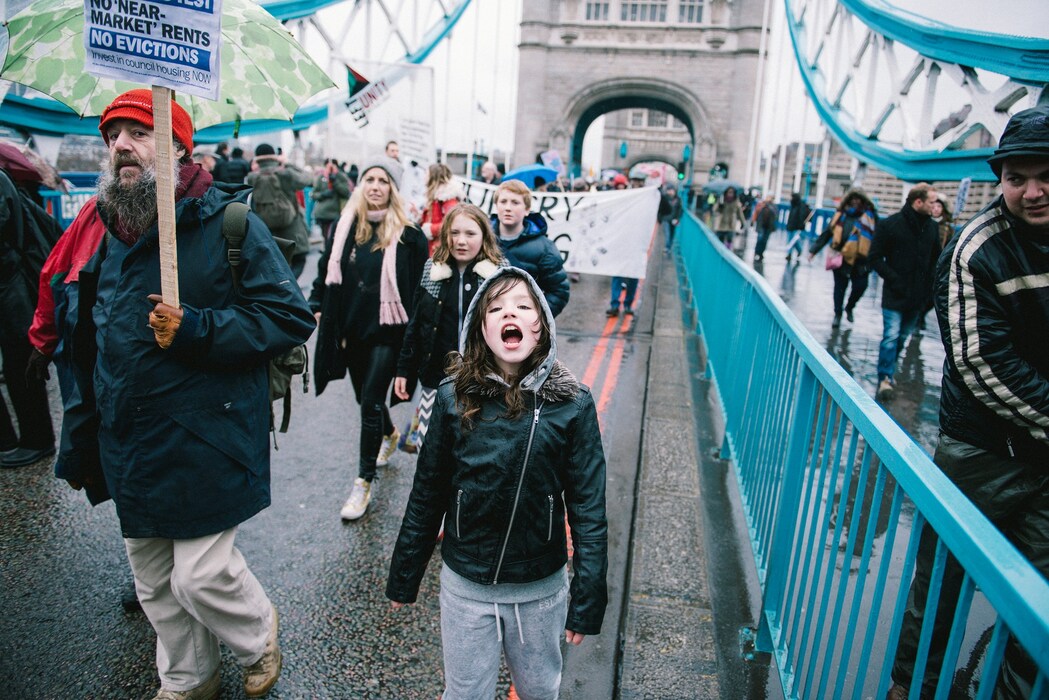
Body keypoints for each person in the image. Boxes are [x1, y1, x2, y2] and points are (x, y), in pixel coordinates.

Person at [45, 88, 315, 700]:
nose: (121, 147)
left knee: (201, 575)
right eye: (114, 135)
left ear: (179, 147)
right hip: (130, 435)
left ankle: (258, 635)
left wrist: (196, 327)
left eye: (138, 133)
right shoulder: (105, 228)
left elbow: (287, 315)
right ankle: (189, 679)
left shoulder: (225, 220)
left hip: (206, 431)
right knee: (155, 584)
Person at [386, 266, 608, 700]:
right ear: (480, 328)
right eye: (497, 307)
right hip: (466, 585)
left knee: (541, 689)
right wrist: (404, 576)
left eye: (524, 306)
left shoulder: (572, 405)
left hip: (540, 590)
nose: (511, 313)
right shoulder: (453, 398)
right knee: (465, 692)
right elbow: (427, 494)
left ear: (540, 326)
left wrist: (587, 595)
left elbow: (588, 507)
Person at [888, 105, 1049, 700]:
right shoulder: (975, 249)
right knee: (940, 589)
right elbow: (984, 364)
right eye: (1016, 178)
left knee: (1041, 606)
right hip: (982, 452)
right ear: (1000, 179)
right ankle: (911, 689)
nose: (1032, 192)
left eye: (1045, 176)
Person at [310, 157, 428, 521]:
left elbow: (422, 291)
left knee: (370, 403)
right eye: (369, 179)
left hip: (389, 333)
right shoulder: (345, 228)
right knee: (367, 399)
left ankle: (363, 482)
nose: (375, 186)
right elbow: (324, 272)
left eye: (383, 180)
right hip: (351, 329)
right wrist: (316, 304)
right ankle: (390, 433)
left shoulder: (410, 236)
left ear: (393, 189)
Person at [393, 203, 503, 453]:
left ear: (484, 236)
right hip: (435, 377)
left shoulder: (498, 274)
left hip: (484, 380)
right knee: (429, 450)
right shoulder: (432, 270)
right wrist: (404, 369)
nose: (461, 241)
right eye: (454, 233)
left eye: (470, 234)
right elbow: (416, 324)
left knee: (476, 451)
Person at [0, 168, 60, 468]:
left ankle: (37, 440)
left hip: (12, 285)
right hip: (10, 284)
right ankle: (11, 440)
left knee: (20, 361)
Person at [868, 183, 940, 400]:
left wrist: (930, 290)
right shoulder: (890, 224)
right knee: (890, 337)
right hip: (895, 293)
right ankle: (885, 378)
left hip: (918, 297)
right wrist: (894, 280)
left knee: (901, 338)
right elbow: (874, 257)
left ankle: (888, 370)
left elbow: (937, 259)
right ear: (918, 202)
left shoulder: (932, 228)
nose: (935, 206)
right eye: (931, 202)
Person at [489, 179, 570, 317]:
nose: (508, 207)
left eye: (515, 202)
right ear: (496, 206)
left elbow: (559, 292)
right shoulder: (481, 240)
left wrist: (535, 318)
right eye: (503, 202)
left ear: (527, 210)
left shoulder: (545, 248)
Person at [808, 189, 878, 327]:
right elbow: (827, 233)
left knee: (860, 286)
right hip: (841, 258)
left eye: (859, 199)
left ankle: (850, 307)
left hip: (861, 260)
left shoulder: (871, 216)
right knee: (839, 288)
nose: (856, 202)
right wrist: (813, 251)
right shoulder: (841, 215)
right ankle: (837, 314)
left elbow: (880, 237)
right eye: (853, 199)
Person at [246, 144, 312, 279]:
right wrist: (287, 163)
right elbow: (308, 178)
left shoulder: (252, 178)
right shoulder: (285, 174)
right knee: (299, 260)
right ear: (275, 156)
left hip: (267, 231)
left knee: (274, 265)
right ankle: (288, 288)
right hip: (292, 229)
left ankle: (279, 289)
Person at [419, 163, 463, 256]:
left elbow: (453, 222)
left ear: (433, 177)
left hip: (440, 249)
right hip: (434, 247)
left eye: (426, 174)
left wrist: (431, 229)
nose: (423, 177)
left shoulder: (448, 197)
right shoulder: (436, 196)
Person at [310, 157, 351, 243]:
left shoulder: (341, 176)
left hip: (336, 213)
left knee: (336, 239)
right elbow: (314, 194)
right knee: (327, 239)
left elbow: (346, 192)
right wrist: (323, 194)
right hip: (323, 213)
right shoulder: (321, 177)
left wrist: (335, 182)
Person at [784, 192, 812, 263]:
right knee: (793, 241)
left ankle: (790, 254)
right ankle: (798, 251)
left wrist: (800, 226)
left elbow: (801, 217)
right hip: (791, 225)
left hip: (797, 227)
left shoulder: (801, 205)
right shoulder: (793, 204)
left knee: (792, 240)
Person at [753, 194, 777, 261]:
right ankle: (756, 252)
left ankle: (761, 253)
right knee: (760, 239)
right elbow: (757, 211)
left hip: (768, 226)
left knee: (765, 240)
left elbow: (775, 215)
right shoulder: (762, 204)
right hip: (761, 225)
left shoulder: (774, 207)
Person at [661, 183, 683, 253]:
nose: (670, 192)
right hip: (666, 219)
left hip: (674, 219)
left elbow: (680, 210)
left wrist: (678, 218)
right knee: (667, 233)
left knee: (672, 233)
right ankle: (667, 247)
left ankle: (669, 247)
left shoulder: (678, 199)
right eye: (668, 190)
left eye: (671, 190)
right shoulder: (664, 198)